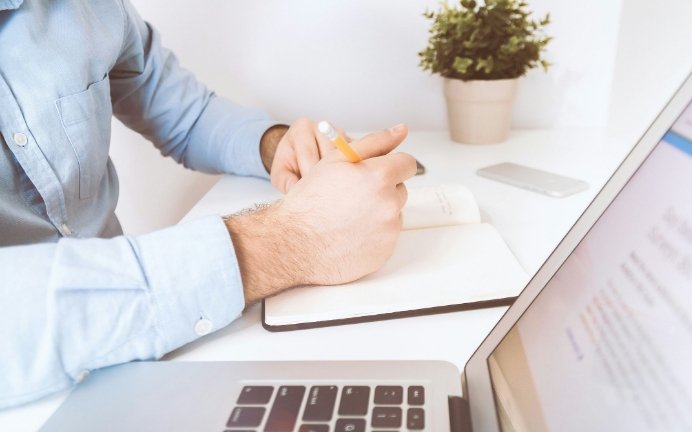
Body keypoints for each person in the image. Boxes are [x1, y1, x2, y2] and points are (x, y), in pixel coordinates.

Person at [0, 0, 416, 408]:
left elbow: (187, 114)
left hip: (145, 357)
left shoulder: (91, 8)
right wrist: (295, 238)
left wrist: (275, 145)